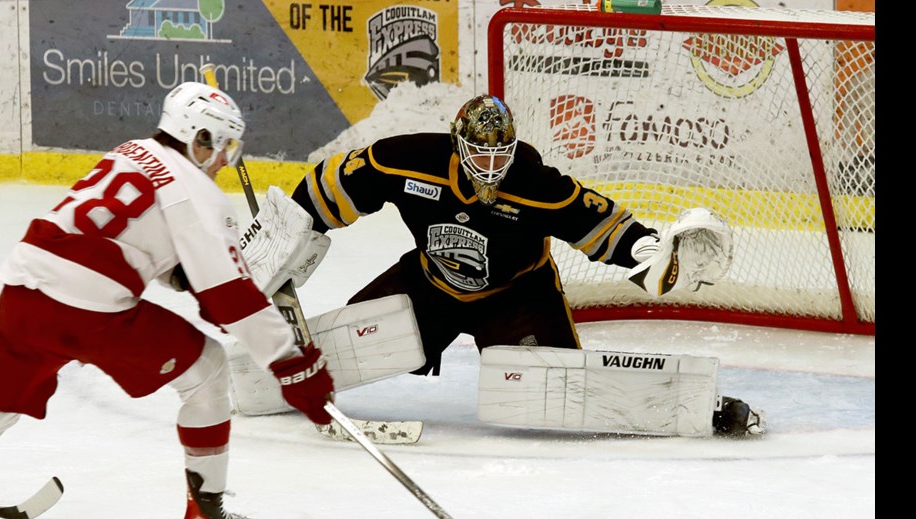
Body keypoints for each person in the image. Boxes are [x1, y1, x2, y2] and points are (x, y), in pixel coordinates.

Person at [0, 82, 336, 519]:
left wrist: (187, 274)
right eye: (224, 147)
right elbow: (229, 299)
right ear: (200, 137)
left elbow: (135, 237)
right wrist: (292, 364)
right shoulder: (197, 193)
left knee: (5, 393)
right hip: (87, 308)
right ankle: (206, 518)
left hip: (21, 287)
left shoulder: (131, 152)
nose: (224, 161)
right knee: (210, 371)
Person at [288, 94, 763, 437]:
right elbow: (335, 184)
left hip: (517, 297)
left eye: (501, 153)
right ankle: (277, 375)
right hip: (430, 283)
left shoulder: (536, 185)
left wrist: (644, 249)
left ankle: (703, 409)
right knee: (347, 342)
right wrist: (290, 234)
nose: (490, 164)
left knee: (561, 391)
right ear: (457, 144)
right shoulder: (408, 161)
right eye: (479, 152)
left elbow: (595, 219)